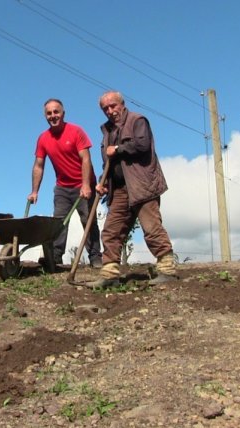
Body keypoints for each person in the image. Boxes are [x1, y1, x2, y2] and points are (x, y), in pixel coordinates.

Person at [88, 90, 177, 288]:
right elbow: (108, 163)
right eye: (105, 108)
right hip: (119, 189)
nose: (110, 111)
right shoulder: (107, 132)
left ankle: (167, 269)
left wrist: (118, 148)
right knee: (112, 230)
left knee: (151, 228)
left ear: (122, 104)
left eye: (113, 106)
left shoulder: (137, 120)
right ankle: (110, 274)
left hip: (142, 185)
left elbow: (143, 145)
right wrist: (103, 183)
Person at [27, 99, 102, 269]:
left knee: (88, 220)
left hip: (83, 184)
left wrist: (85, 185)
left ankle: (95, 257)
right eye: (49, 113)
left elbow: (86, 159)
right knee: (59, 222)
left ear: (63, 113)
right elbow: (39, 165)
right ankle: (55, 257)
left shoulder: (76, 131)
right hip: (62, 187)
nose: (53, 116)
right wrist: (34, 191)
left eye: (56, 112)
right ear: (45, 116)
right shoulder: (43, 138)